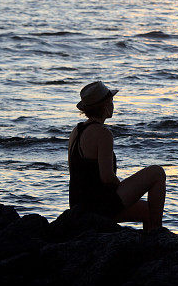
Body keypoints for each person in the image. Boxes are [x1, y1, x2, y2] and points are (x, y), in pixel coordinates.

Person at [68, 81, 166, 231]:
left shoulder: (77, 130)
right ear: (106, 105)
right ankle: (158, 234)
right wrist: (124, 189)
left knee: (148, 210)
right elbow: (106, 177)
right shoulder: (103, 133)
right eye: (112, 101)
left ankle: (150, 243)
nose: (113, 104)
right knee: (157, 172)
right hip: (97, 206)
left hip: (78, 205)